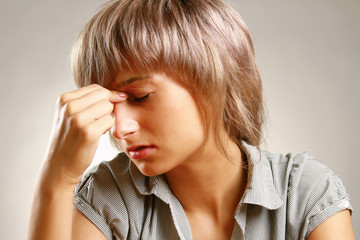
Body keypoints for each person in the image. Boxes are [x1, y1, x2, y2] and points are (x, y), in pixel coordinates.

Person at [26, 0, 355, 239]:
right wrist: (57, 180)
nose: (119, 128)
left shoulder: (307, 194)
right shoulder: (109, 195)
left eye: (140, 97)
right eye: (110, 105)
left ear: (215, 81)